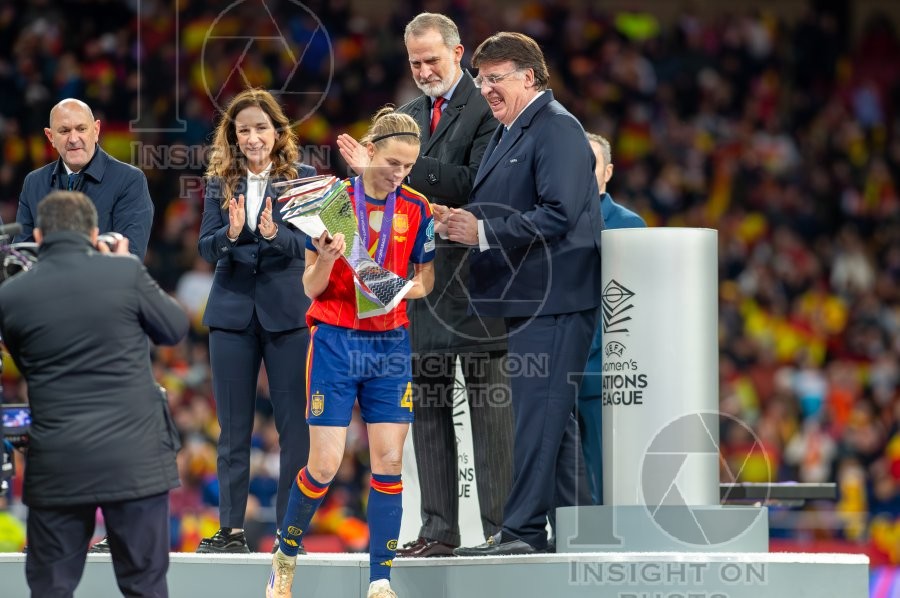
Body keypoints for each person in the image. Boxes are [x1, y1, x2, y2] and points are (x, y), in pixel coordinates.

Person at [337, 12, 513, 558]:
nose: (423, 70)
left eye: (432, 59)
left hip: (480, 285)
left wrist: (398, 166)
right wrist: (374, 173)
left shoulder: (489, 107)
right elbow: (374, 196)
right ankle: (438, 529)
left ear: (459, 54)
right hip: (419, 285)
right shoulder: (405, 115)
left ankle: (503, 530)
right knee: (430, 410)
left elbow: (479, 180)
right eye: (415, 62)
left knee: (490, 415)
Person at [442, 32, 604, 556]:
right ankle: (582, 534)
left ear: (529, 77)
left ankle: (522, 533)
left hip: (555, 299)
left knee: (536, 417)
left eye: (496, 78)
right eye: (481, 78)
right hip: (530, 298)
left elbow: (559, 213)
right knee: (553, 422)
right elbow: (511, 204)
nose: (485, 88)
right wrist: (460, 222)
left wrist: (483, 232)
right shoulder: (509, 131)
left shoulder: (556, 127)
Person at [266, 107, 435, 598]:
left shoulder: (417, 207)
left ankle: (381, 579)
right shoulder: (332, 201)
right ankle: (284, 556)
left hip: (390, 343)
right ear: (370, 151)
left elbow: (427, 280)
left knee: (388, 460)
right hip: (337, 340)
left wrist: (397, 291)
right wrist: (332, 258)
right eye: (392, 162)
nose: (399, 173)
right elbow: (311, 286)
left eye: (408, 166)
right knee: (324, 465)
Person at [0, 190, 188, 597]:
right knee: (145, 586)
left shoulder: (11, 296)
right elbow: (174, 328)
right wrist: (127, 267)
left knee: (51, 588)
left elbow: (23, 356)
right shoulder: (124, 273)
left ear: (37, 234)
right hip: (135, 460)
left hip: (59, 462)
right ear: (94, 233)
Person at [197, 88, 316, 554]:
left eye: (260, 128)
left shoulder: (303, 178)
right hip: (230, 314)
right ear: (232, 136)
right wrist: (228, 232)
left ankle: (291, 532)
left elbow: (315, 245)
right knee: (232, 428)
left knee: (294, 429)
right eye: (243, 129)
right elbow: (205, 248)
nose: (252, 137)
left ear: (277, 132)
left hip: (287, 314)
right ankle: (231, 530)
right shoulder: (218, 181)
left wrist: (275, 234)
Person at [578, 133, 647, 505]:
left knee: (601, 464)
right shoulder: (554, 218)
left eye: (591, 163)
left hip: (602, 365)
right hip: (556, 365)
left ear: (608, 171)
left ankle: (603, 535)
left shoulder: (629, 225)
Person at [15, 99, 154, 261]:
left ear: (96, 130)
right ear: (50, 136)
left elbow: (129, 257)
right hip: (47, 285)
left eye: (81, 129)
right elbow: (21, 256)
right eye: (64, 131)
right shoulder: (33, 182)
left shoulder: (129, 180)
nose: (73, 139)